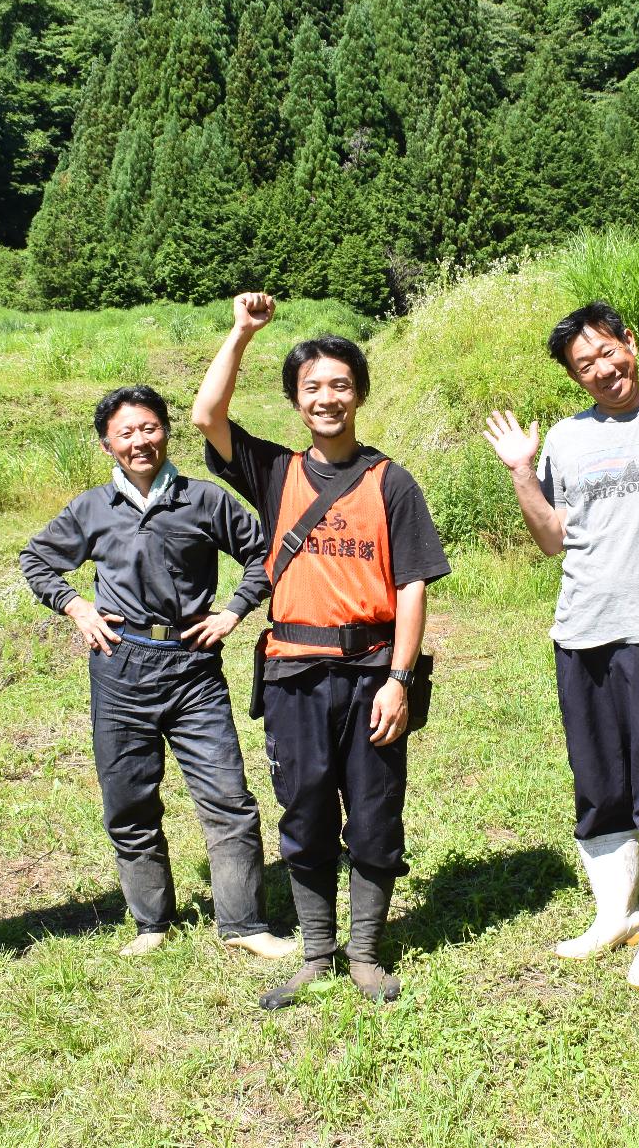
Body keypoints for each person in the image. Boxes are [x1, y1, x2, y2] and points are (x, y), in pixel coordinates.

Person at [191, 292, 450, 1007]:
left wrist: (400, 676)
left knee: (373, 812)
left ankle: (364, 951)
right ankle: (315, 951)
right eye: (313, 387)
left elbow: (414, 585)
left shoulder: (391, 481)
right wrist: (242, 333)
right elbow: (206, 417)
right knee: (303, 810)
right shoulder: (274, 473)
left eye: (341, 384)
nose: (328, 397)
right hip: (293, 673)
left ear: (359, 394)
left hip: (371, 672)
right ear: (296, 401)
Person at [483, 302, 639, 990]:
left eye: (607, 351)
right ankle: (614, 914)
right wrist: (520, 472)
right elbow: (550, 537)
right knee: (598, 781)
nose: (602, 369)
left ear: (631, 342)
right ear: (576, 376)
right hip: (583, 630)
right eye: (584, 364)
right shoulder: (566, 439)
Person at [20, 385, 295, 962]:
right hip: (120, 667)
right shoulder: (93, 509)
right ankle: (151, 922)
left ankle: (244, 923)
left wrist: (232, 611)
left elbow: (264, 552)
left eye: (149, 428)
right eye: (126, 433)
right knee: (129, 801)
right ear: (107, 445)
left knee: (227, 797)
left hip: (193, 667)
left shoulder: (203, 500)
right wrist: (78, 607)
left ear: (166, 431)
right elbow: (37, 559)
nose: (139, 441)